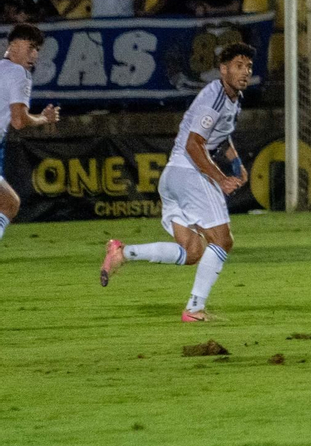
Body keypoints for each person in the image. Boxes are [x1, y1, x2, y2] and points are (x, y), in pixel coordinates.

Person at [99, 44, 254, 321]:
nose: (245, 72)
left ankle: (122, 252)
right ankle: (194, 310)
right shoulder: (215, 98)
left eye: (249, 67)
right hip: (188, 172)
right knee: (223, 240)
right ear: (223, 69)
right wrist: (220, 178)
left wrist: (237, 163)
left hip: (172, 176)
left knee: (192, 251)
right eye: (239, 66)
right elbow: (195, 145)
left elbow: (221, 134)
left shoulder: (232, 98)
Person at [0, 23, 61, 246]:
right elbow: (19, 120)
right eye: (31, 47)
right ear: (14, 45)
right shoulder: (19, 73)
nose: (35, 55)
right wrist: (44, 118)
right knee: (9, 204)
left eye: (38, 50)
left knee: (8, 203)